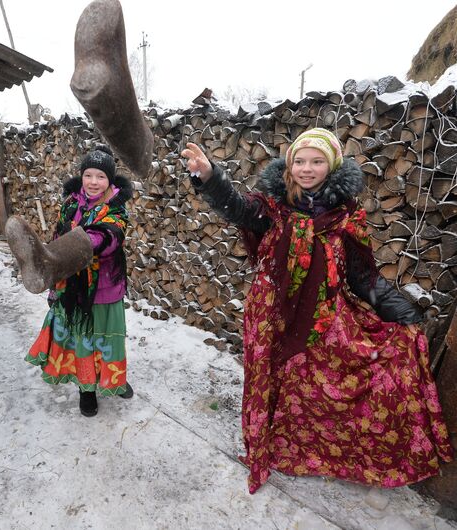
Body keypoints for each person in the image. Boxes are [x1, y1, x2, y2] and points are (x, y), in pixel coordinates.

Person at [180, 127, 453, 493]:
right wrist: (211, 177)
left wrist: (402, 314)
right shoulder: (272, 209)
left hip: (324, 314)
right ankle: (274, 446)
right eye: (300, 161)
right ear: (289, 166)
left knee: (321, 383)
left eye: (317, 161)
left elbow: (363, 277)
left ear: (333, 166)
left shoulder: (345, 218)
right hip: (271, 314)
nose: (307, 169)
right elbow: (239, 209)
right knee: (273, 381)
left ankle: (319, 453)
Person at [6, 144, 134, 417]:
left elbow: (108, 237)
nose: (93, 182)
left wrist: (84, 243)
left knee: (109, 339)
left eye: (100, 176)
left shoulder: (117, 209)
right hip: (72, 286)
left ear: (109, 180)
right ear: (82, 176)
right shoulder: (70, 205)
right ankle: (86, 390)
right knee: (83, 340)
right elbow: (58, 237)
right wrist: (53, 274)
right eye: (88, 175)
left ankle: (115, 380)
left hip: (104, 288)